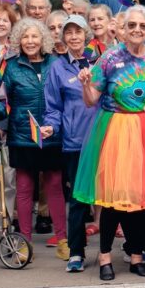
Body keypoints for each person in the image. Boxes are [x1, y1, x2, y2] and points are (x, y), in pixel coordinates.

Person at [76, 5, 145, 281]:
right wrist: (85, 83)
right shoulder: (110, 57)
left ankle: (137, 255)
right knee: (113, 199)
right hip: (116, 129)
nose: (137, 30)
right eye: (132, 25)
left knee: (140, 200)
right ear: (123, 29)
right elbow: (91, 100)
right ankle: (105, 257)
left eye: (143, 26)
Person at [2, 18, 68, 257]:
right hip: (23, 136)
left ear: (43, 40)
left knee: (55, 186)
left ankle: (63, 240)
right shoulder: (11, 67)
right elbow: (3, 99)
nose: (30, 41)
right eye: (25, 37)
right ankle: (24, 242)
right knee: (24, 188)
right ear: (19, 40)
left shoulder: (57, 63)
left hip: (52, 134)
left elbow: (64, 96)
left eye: (34, 36)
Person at [43, 15, 100, 273]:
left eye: (78, 31)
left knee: (109, 197)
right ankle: (76, 252)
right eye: (69, 32)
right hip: (75, 143)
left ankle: (110, 250)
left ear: (87, 34)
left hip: (103, 139)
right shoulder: (58, 67)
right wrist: (51, 127)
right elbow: (53, 107)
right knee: (78, 200)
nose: (74, 36)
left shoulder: (100, 61)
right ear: (63, 37)